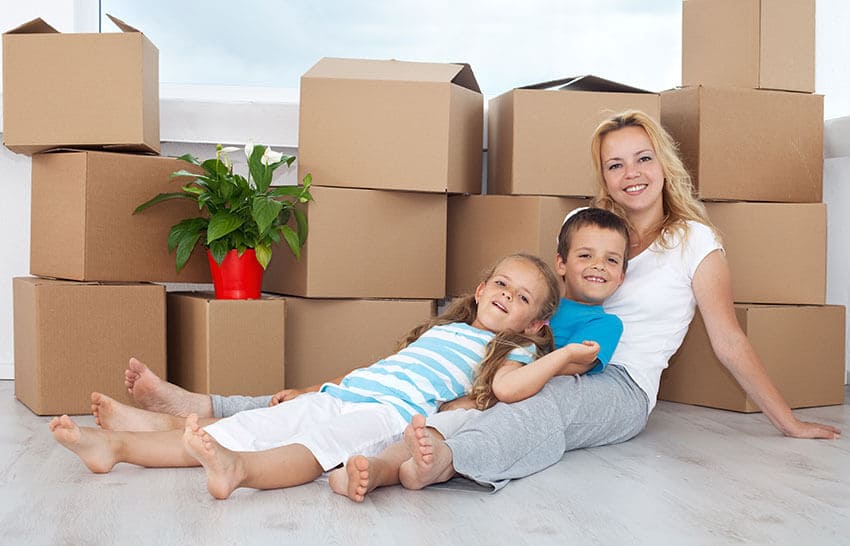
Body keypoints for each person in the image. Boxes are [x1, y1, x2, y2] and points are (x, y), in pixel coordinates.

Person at [392, 109, 841, 493]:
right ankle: (380, 455)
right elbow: (551, 306)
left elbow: (728, 340)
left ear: (664, 164)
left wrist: (789, 423)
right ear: (604, 174)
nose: (632, 175)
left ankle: (448, 461)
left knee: (551, 400)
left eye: (644, 159)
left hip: (621, 386)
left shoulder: (695, 243)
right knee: (459, 380)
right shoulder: (583, 225)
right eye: (616, 165)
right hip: (543, 357)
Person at [50, 253, 588, 499]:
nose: (504, 296)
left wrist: (559, 358)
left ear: (536, 322)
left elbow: (507, 390)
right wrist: (311, 389)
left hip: (382, 416)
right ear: (479, 289)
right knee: (240, 428)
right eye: (500, 283)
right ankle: (116, 447)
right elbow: (374, 369)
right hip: (349, 392)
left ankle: (241, 472)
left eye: (521, 298)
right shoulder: (441, 329)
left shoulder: (512, 349)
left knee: (312, 447)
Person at [328, 206, 631, 502]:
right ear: (561, 264)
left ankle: (381, 471)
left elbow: (575, 364)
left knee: (437, 432)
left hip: (501, 394)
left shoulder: (605, 324)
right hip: (468, 378)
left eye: (611, 260)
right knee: (416, 423)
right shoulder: (535, 300)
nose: (598, 266)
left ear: (622, 277)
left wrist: (494, 390)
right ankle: (364, 464)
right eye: (585, 255)